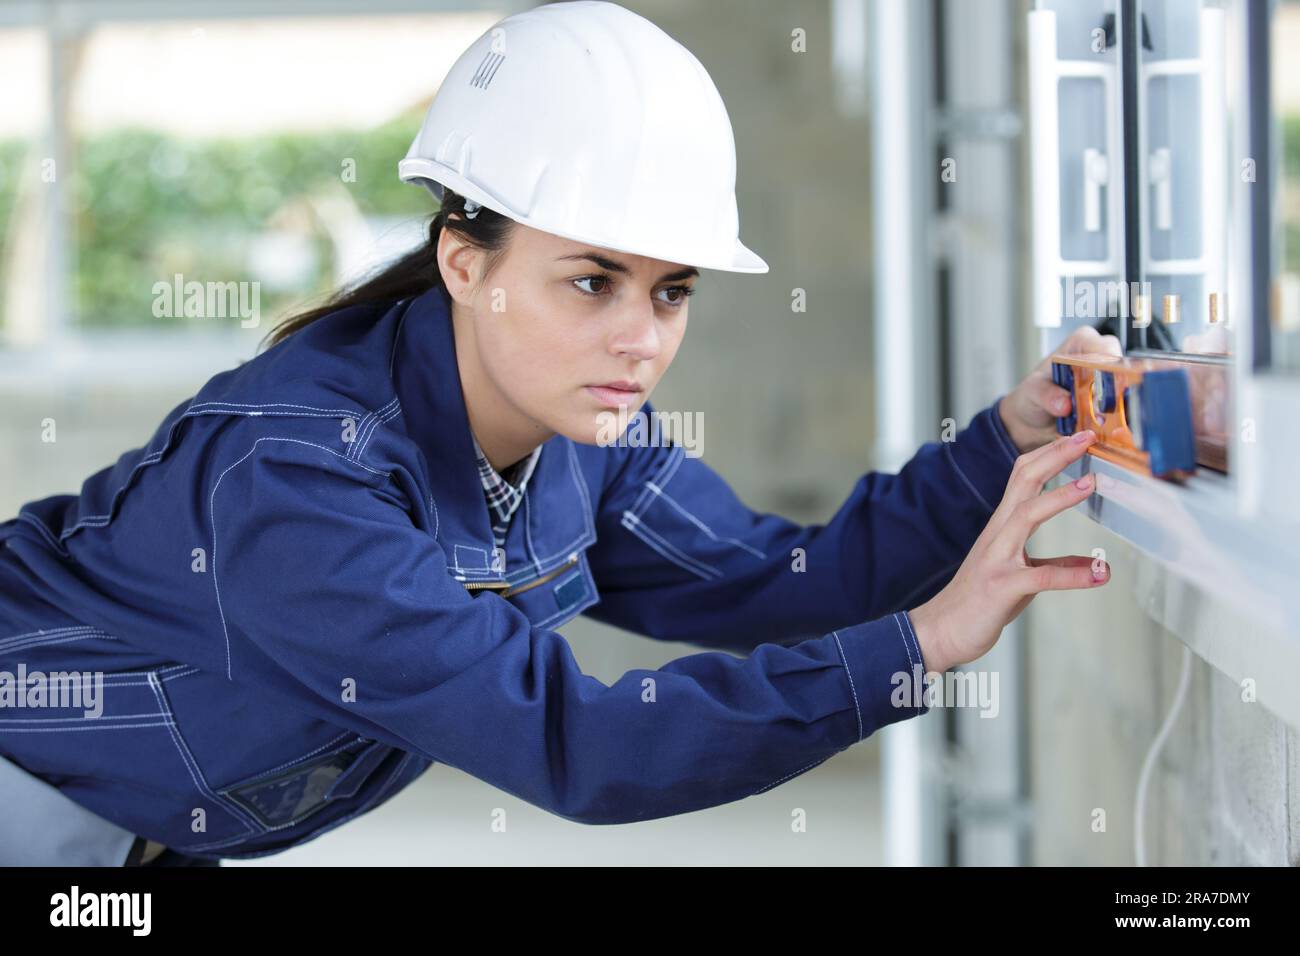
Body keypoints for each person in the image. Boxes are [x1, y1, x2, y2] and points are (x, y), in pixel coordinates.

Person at [0, 0, 1117, 866]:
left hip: (123, 837)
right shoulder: (297, 480)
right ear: (463, 261)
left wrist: (999, 445)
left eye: (671, 290)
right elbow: (575, 738)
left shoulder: (576, 437)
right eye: (591, 281)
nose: (640, 339)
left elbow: (785, 577)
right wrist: (920, 645)